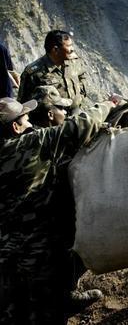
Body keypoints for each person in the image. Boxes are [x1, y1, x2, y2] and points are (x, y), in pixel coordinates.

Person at [0, 94, 117, 323]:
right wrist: (109, 104)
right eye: (25, 119)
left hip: (6, 248)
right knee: (46, 308)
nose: (31, 123)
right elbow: (78, 126)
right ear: (15, 127)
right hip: (39, 247)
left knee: (12, 303)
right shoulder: (29, 144)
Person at [18, 30, 92, 113]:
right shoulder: (34, 73)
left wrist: (80, 96)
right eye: (69, 46)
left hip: (76, 114)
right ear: (55, 49)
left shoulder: (74, 61)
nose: (72, 49)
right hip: (52, 122)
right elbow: (24, 105)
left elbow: (82, 76)